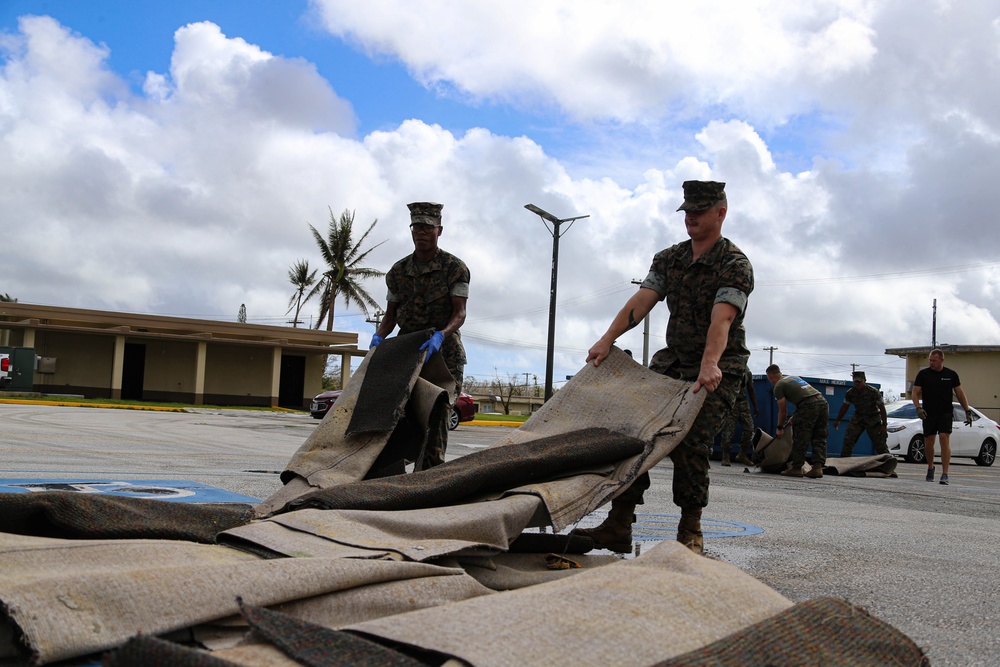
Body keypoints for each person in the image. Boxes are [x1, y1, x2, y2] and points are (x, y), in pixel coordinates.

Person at [574, 180, 753, 554]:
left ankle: (690, 530)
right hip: (673, 362)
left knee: (690, 440)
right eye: (687, 211)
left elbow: (721, 320)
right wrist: (607, 339)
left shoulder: (734, 264)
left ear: (721, 213)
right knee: (634, 433)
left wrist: (709, 365)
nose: (691, 218)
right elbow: (644, 298)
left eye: (700, 211)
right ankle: (619, 523)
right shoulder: (669, 258)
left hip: (720, 366)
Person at [371, 202, 470, 469]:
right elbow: (389, 318)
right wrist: (378, 338)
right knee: (397, 413)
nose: (421, 232)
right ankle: (389, 475)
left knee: (437, 414)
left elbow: (460, 313)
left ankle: (427, 479)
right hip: (408, 351)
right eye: (416, 227)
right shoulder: (398, 272)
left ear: (439, 230)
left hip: (443, 354)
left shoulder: (454, 268)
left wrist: (441, 335)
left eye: (427, 227)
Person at [912, 349, 971, 485]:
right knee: (929, 441)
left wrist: (967, 411)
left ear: (941, 360)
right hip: (928, 413)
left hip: (945, 413)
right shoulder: (923, 374)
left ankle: (945, 473)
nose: (931, 363)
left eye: (934, 360)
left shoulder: (951, 375)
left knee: (944, 438)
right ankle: (930, 467)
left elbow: (960, 394)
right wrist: (918, 408)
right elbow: (915, 392)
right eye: (930, 360)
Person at [766, 365, 828, 478]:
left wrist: (779, 427)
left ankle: (796, 468)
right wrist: (796, 415)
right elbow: (806, 396)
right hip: (822, 402)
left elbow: (783, 410)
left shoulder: (779, 385)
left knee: (801, 437)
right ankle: (817, 468)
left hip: (807, 405)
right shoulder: (792, 377)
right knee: (819, 436)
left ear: (770, 377)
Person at [834, 370, 888, 457]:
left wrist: (884, 425)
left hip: (873, 418)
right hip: (858, 417)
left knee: (880, 444)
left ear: (864, 381)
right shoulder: (850, 393)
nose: (857, 384)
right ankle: (844, 462)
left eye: (859, 381)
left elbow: (882, 408)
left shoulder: (873, 392)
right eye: (855, 382)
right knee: (848, 440)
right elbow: (845, 407)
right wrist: (837, 420)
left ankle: (888, 463)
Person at [717, 365, 759, 466]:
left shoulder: (747, 372)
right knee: (729, 430)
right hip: (731, 402)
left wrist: (755, 407)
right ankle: (725, 456)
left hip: (743, 402)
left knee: (749, 429)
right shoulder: (727, 368)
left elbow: (750, 389)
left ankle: (742, 454)